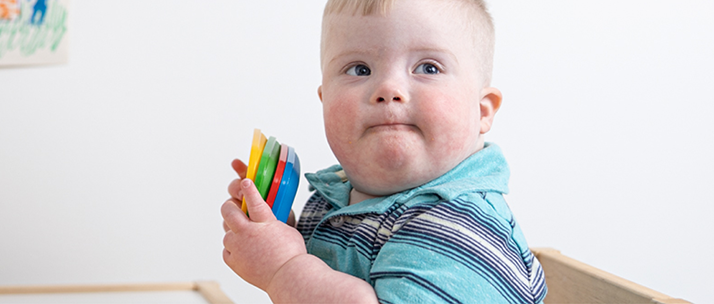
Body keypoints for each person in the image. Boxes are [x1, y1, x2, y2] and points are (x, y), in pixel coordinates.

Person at [219, 0, 547, 302]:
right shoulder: (338, 196)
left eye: (428, 67)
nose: (388, 89)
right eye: (359, 69)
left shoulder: (459, 228)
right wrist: (282, 235)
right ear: (325, 100)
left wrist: (284, 268)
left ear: (482, 111)